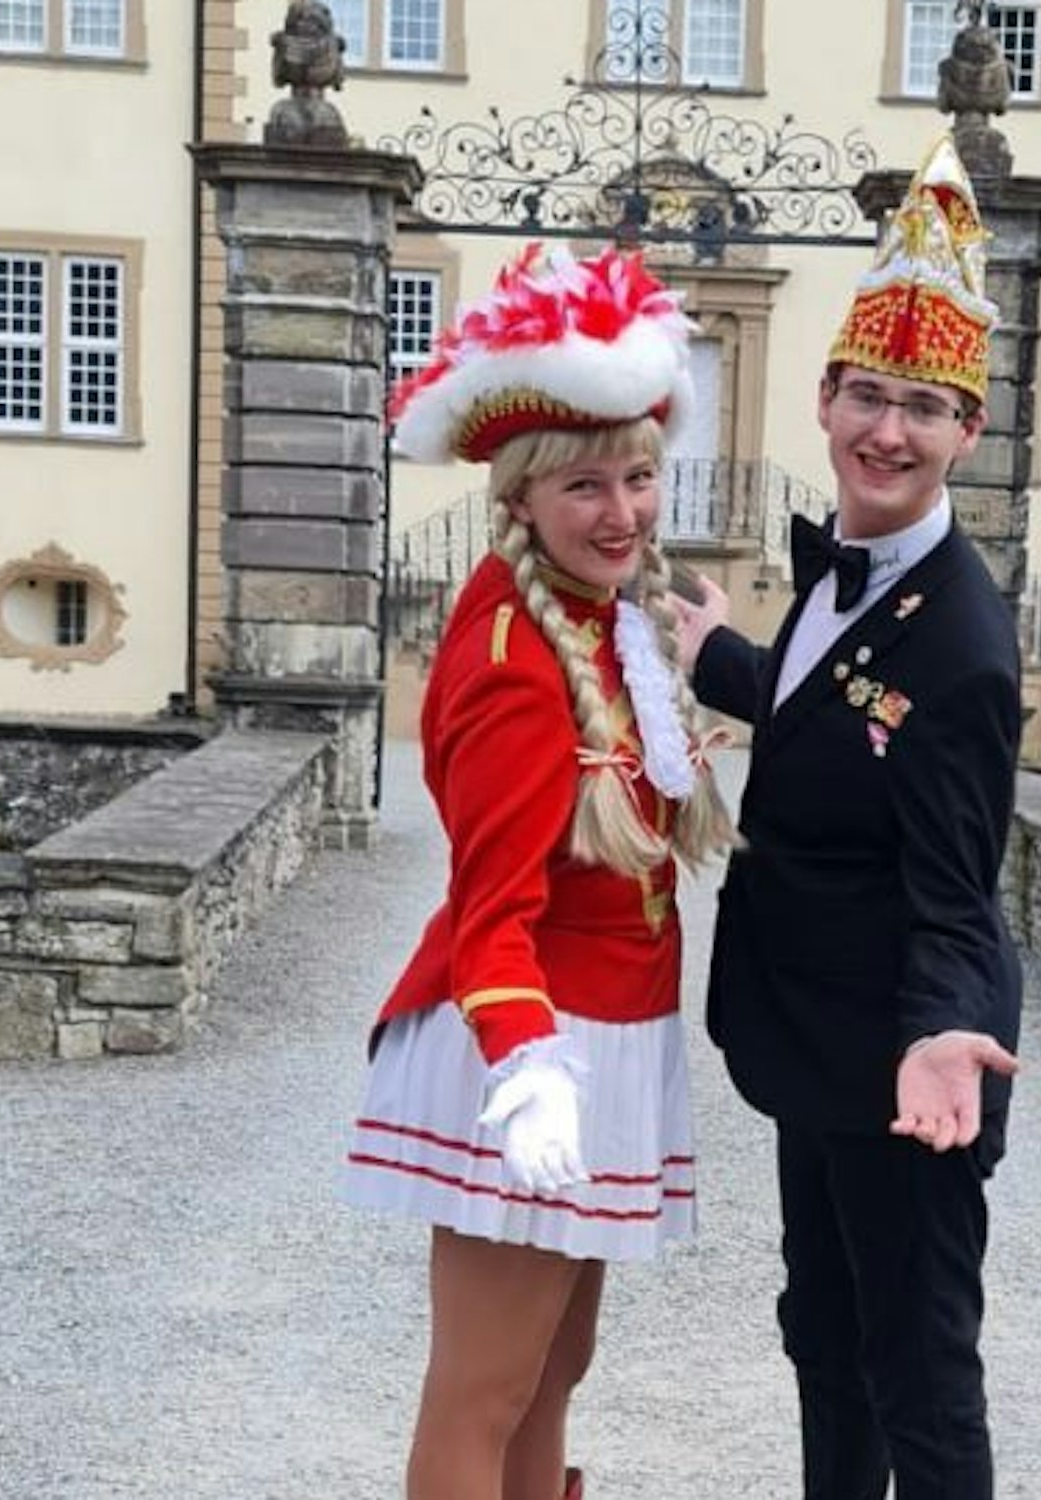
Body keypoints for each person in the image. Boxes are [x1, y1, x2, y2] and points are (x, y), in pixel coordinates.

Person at [340, 243, 736, 1500]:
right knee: (483, 1389)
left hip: (606, 1038)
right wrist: (526, 1072)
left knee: (556, 1372)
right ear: (517, 498)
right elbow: (491, 900)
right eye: (584, 487)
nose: (620, 511)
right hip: (534, 1052)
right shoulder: (515, 655)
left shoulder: (604, 621)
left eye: (635, 478)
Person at [675, 137, 1024, 1500]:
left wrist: (943, 1030)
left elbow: (956, 877)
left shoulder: (970, 647)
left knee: (920, 1367)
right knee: (822, 1329)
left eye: (924, 408)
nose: (890, 430)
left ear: (967, 431)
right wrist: (729, 663)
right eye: (870, 396)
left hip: (905, 1057)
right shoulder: (853, 570)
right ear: (824, 398)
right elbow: (840, 715)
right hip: (819, 1033)